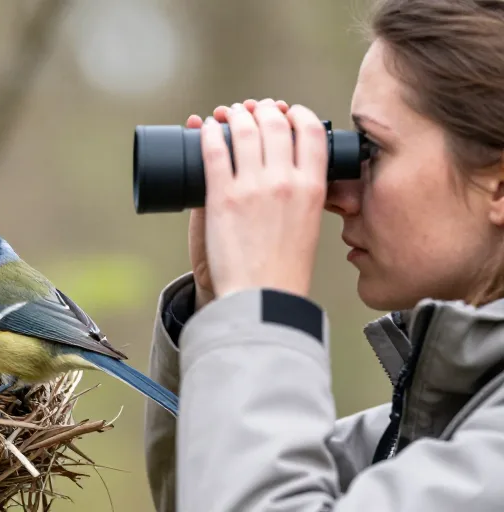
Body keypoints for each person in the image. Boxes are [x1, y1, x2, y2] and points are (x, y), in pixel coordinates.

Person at [143, 0, 504, 510]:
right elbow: (208, 493)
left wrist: (260, 306)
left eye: (371, 150)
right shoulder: (429, 430)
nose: (336, 197)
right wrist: (219, 303)